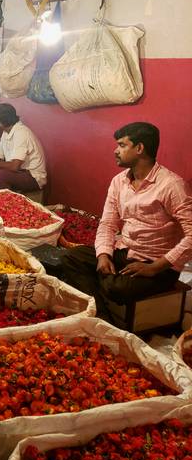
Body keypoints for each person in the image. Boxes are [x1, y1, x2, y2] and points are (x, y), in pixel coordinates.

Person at [57, 122, 192, 323]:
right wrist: (103, 255)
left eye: (121, 145)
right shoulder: (119, 181)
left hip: (158, 264)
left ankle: (101, 304)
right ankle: (102, 318)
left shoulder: (171, 185)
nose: (115, 151)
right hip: (126, 252)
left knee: (115, 287)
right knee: (71, 257)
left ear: (139, 148)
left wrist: (154, 267)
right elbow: (107, 223)